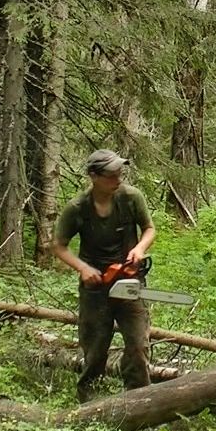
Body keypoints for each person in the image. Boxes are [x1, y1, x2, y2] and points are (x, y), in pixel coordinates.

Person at [52, 149, 157, 401]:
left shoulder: (131, 198)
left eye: (119, 172)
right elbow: (58, 245)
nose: (118, 178)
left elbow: (149, 229)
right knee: (95, 348)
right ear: (94, 176)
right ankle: (89, 400)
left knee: (138, 345)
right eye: (111, 174)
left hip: (129, 280)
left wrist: (139, 249)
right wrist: (83, 268)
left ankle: (139, 400)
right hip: (96, 287)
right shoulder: (77, 208)